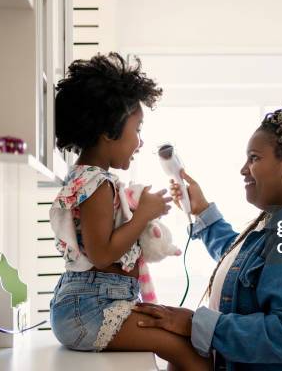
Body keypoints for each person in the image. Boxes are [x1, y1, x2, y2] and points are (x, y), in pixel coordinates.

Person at [133, 99, 282, 370]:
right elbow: (244, 268)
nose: (244, 169)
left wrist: (192, 323)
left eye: (254, 158)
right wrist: (203, 212)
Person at [49, 53, 210, 370]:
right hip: (91, 311)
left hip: (96, 305)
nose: (140, 142)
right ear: (108, 132)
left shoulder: (88, 179)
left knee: (186, 342)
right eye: (137, 130)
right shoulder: (97, 184)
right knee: (189, 351)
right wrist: (142, 216)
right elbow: (101, 254)